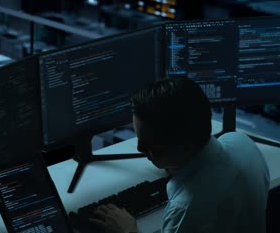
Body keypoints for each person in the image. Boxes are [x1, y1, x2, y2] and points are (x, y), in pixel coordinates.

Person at [89, 76, 270, 233]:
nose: (139, 149)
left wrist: (128, 231)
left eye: (150, 144)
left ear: (186, 148)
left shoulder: (185, 209)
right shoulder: (242, 142)